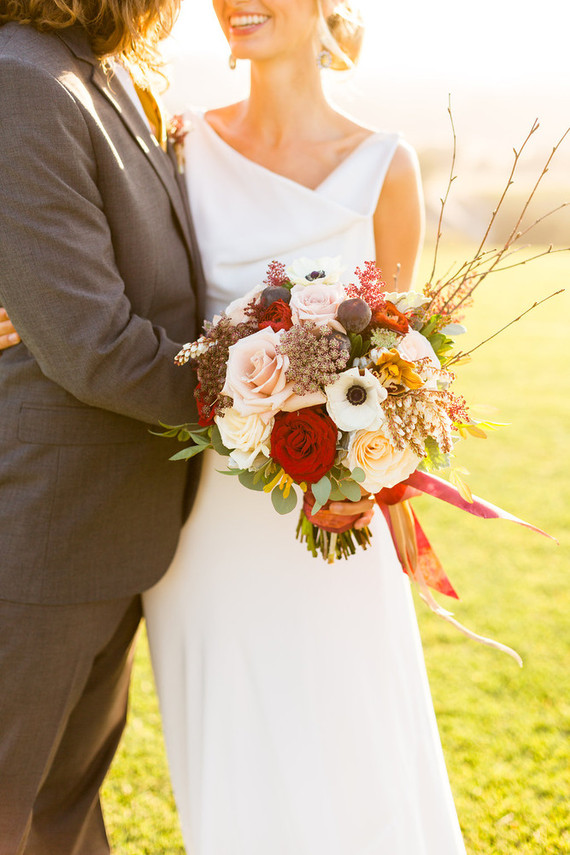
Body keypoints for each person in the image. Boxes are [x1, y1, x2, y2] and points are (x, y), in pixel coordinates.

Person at [142, 1, 467, 853]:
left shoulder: (386, 166)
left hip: (336, 525)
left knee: (355, 752)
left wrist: (363, 470)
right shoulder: (178, 147)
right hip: (206, 526)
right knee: (235, 760)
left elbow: (402, 362)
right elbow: (125, 298)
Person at [0, 2, 206, 852]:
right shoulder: (23, 80)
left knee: (64, 807)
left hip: (110, 524)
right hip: (44, 528)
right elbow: (91, 343)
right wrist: (263, 404)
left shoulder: (99, 72)